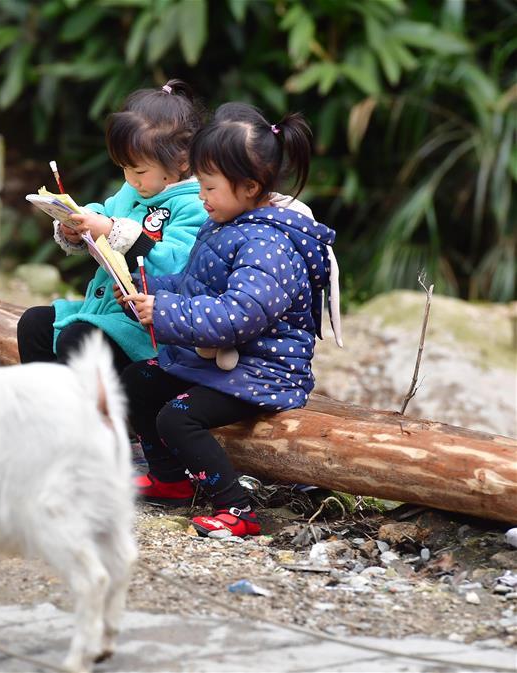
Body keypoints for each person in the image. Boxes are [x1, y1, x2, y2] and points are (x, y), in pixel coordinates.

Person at [117, 102, 342, 538]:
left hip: (262, 371)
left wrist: (162, 313)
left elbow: (238, 316)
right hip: (221, 363)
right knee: (136, 382)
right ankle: (171, 479)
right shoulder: (225, 223)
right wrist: (150, 291)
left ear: (250, 186)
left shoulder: (268, 243)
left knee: (177, 417)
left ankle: (237, 509)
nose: (201, 198)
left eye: (209, 188)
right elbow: (194, 284)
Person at [17, 79, 207, 371]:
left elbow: (175, 267)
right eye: (125, 169)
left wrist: (112, 231)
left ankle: (83, 415)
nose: (131, 179)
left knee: (78, 341)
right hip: (101, 312)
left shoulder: (195, 204)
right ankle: (47, 408)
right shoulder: (136, 188)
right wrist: (76, 225)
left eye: (140, 170)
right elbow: (106, 212)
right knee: (33, 324)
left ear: (182, 160)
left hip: (147, 329)